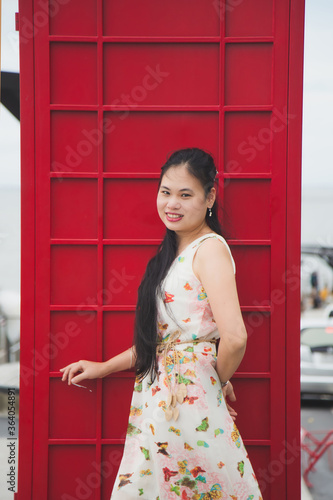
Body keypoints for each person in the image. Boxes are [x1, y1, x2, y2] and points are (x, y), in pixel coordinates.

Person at [60, 148, 263, 499]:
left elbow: (235, 336)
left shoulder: (208, 249)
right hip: (161, 398)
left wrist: (215, 382)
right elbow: (166, 343)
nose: (172, 203)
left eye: (186, 195)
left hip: (185, 401)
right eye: (166, 192)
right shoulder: (174, 255)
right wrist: (104, 367)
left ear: (209, 196)